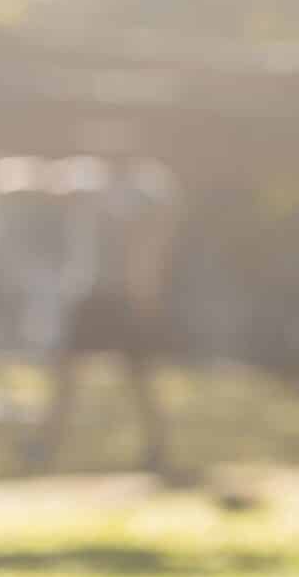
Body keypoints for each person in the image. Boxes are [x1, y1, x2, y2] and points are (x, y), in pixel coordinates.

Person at [17, 156, 185, 479]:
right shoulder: (88, 180)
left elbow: (156, 236)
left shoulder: (146, 188)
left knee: (139, 376)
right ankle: (45, 444)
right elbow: (49, 181)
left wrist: (146, 283)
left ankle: (157, 447)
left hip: (122, 297)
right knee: (67, 372)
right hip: (92, 295)